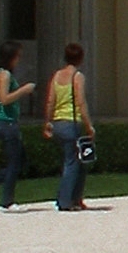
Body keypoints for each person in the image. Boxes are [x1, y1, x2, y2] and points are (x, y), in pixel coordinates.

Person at [47, 43, 96, 212]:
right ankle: (65, 200)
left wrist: (48, 121)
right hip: (71, 122)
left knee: (79, 161)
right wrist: (89, 126)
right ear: (80, 58)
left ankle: (76, 198)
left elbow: (50, 100)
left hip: (58, 122)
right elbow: (81, 102)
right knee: (72, 162)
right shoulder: (77, 76)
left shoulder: (57, 76)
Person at [0, 42, 30, 210]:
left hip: (8, 121)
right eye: (17, 56)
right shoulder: (4, 75)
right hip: (6, 122)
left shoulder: (4, 73)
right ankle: (7, 200)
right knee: (14, 162)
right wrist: (23, 90)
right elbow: (4, 99)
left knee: (20, 160)